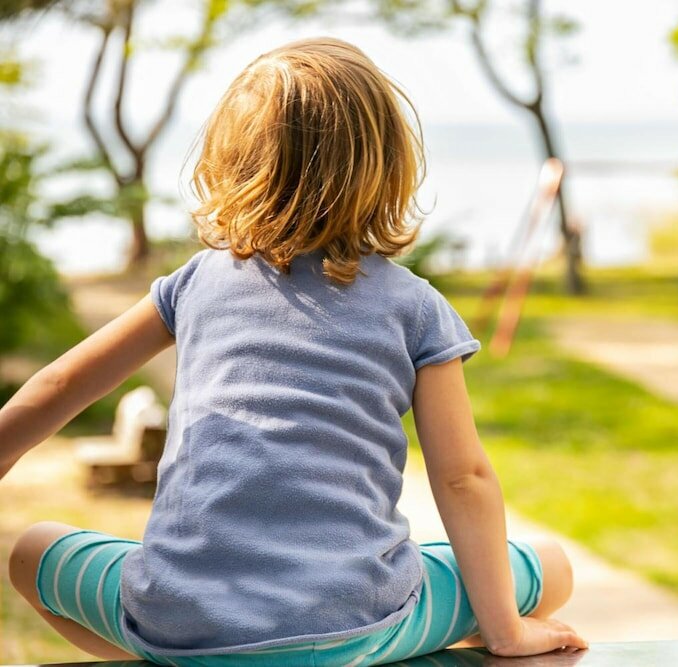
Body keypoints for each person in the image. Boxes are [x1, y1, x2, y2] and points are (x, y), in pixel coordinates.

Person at [1, 37, 588, 666]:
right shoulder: (414, 307)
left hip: (180, 623)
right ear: (386, 167)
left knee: (31, 551)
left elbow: (60, 385)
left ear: (231, 161)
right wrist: (506, 632)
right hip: (354, 627)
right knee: (550, 568)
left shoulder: (195, 282)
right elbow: (462, 477)